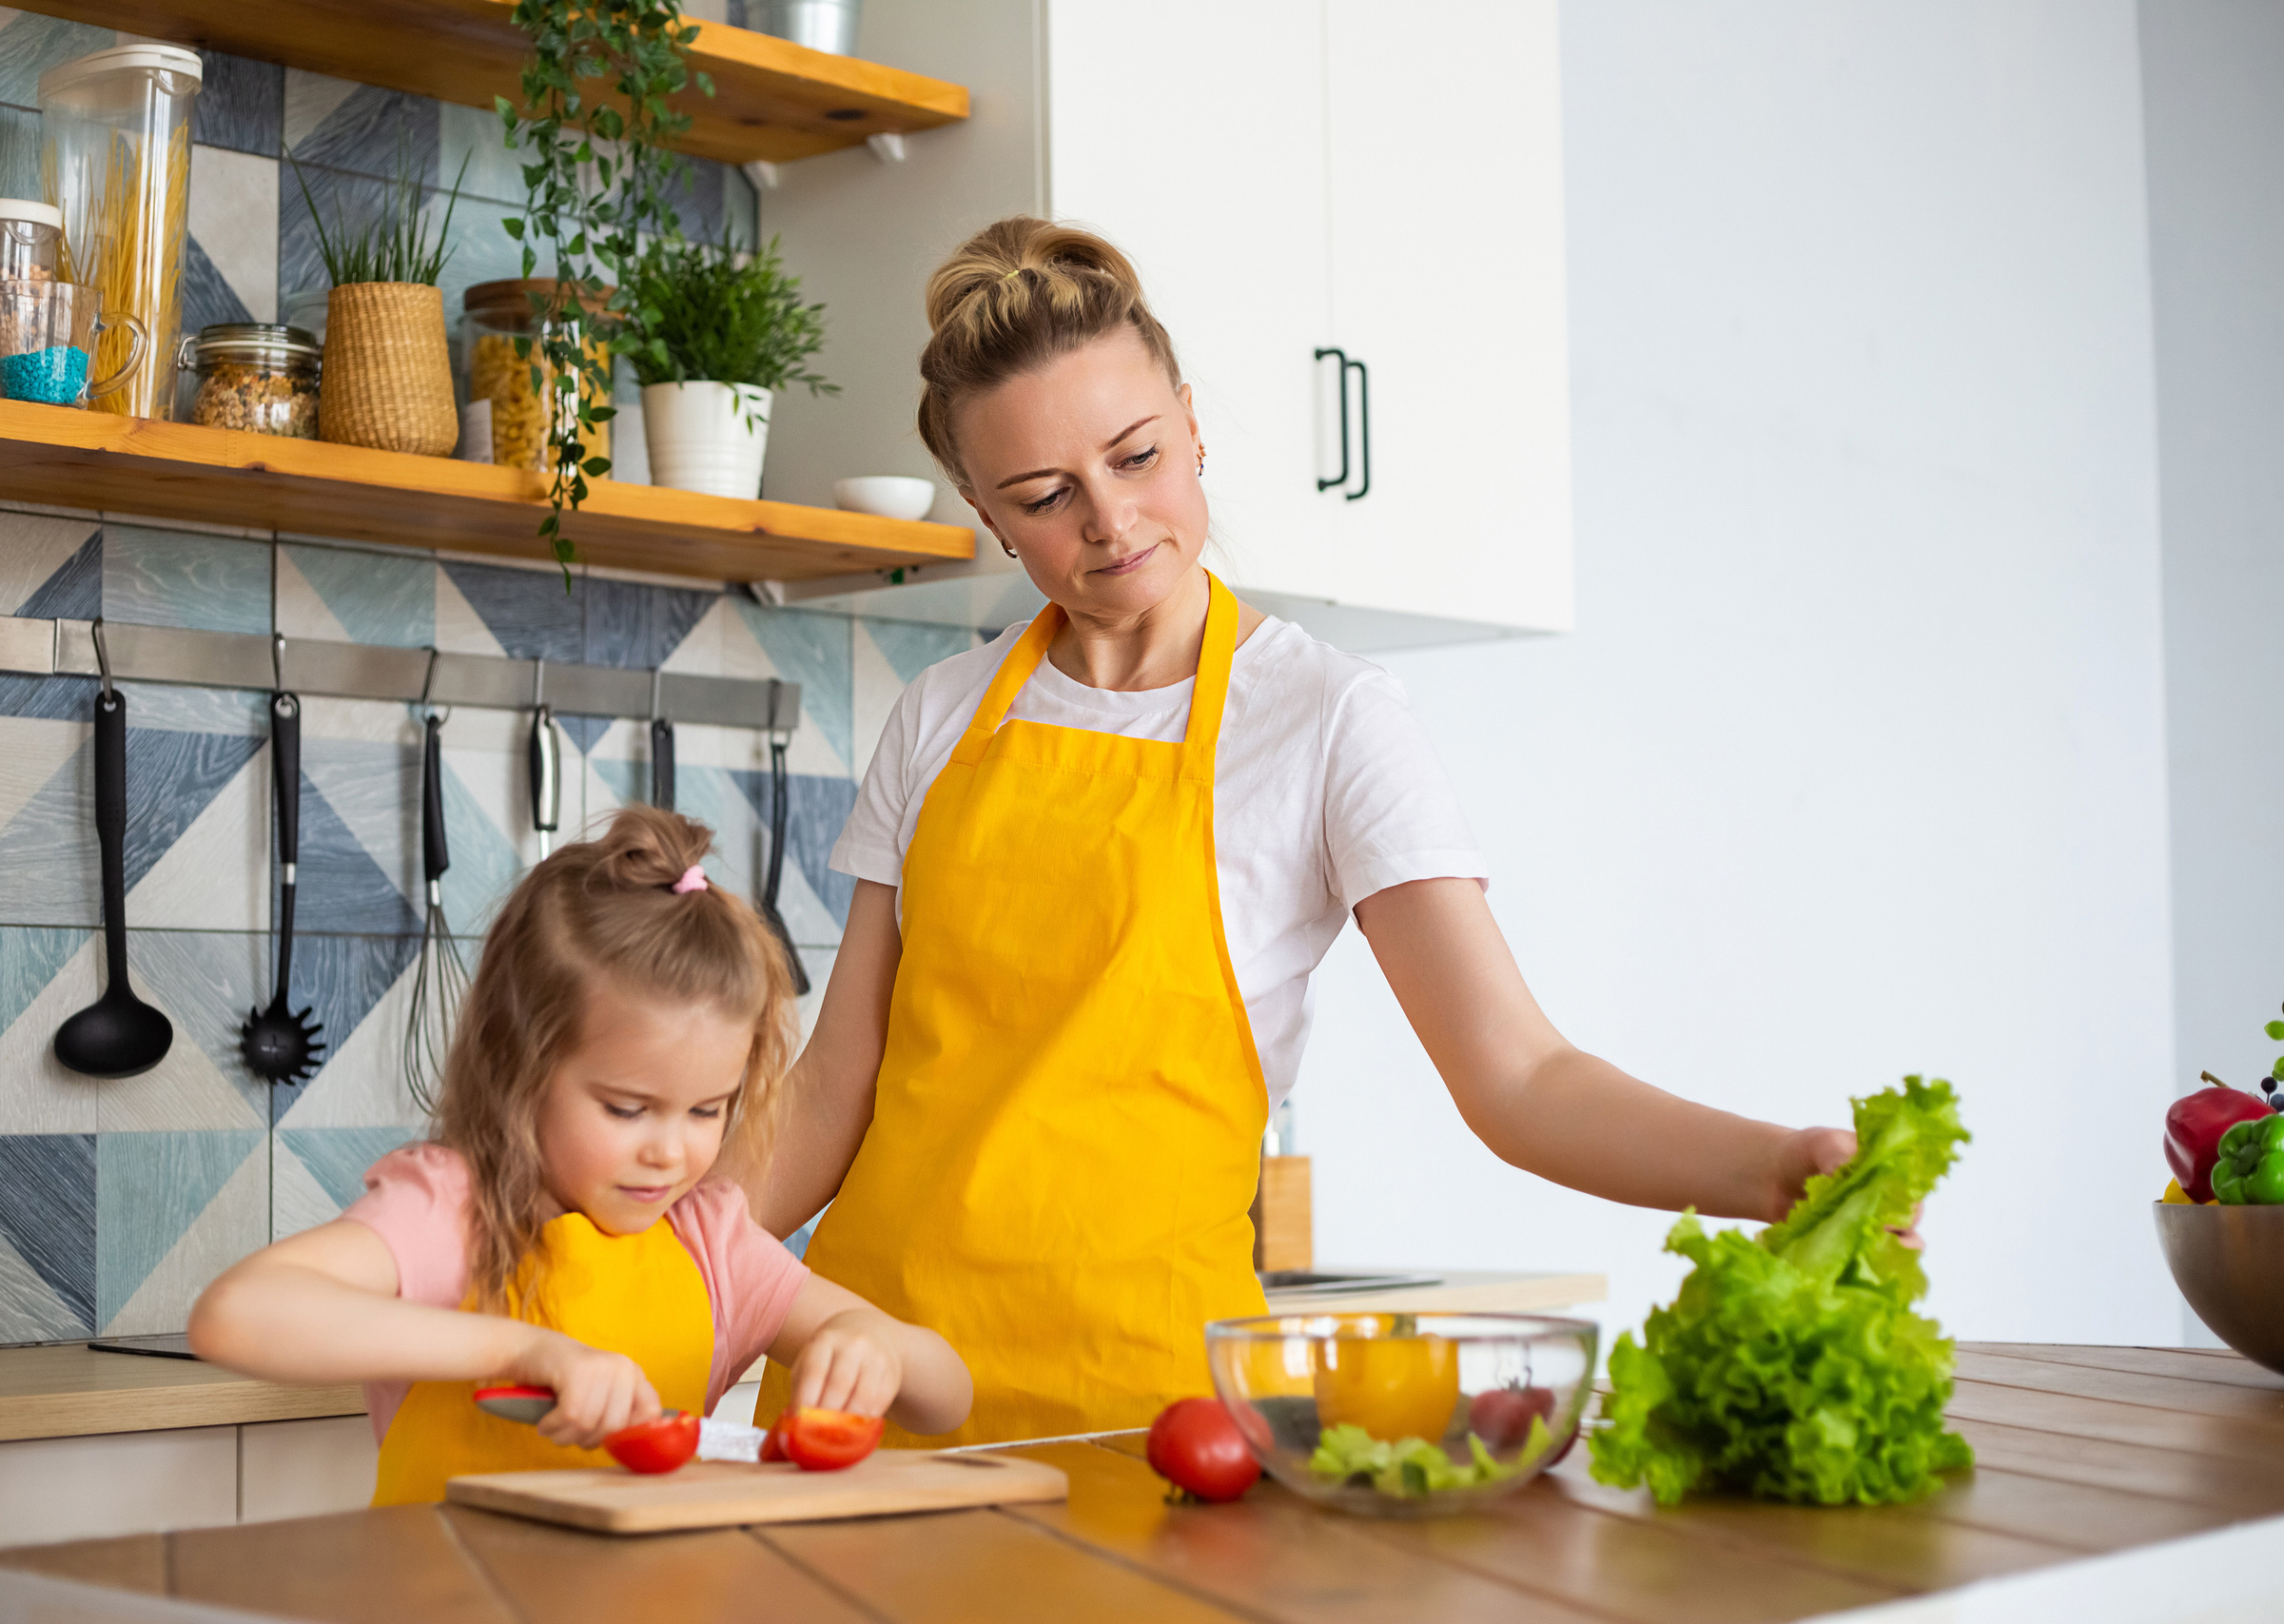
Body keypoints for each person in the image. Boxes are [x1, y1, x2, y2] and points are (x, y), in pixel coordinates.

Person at [719, 215, 1864, 1448]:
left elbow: (1519, 1077)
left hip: (1147, 1414)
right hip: (875, 1391)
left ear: (1195, 422)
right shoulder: (942, 713)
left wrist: (1774, 1164)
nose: (1110, 519)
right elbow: (836, 1087)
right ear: (988, 514)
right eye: (1046, 495)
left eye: (1138, 455)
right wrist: (651, 1275)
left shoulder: (1329, 717)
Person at [188, 808, 970, 1503]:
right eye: (627, 1108)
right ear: (518, 1063)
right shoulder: (457, 1210)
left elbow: (948, 1396)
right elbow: (237, 1315)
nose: (670, 1150)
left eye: (708, 1109)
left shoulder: (711, 1244)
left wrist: (878, 1350)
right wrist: (524, 1347)